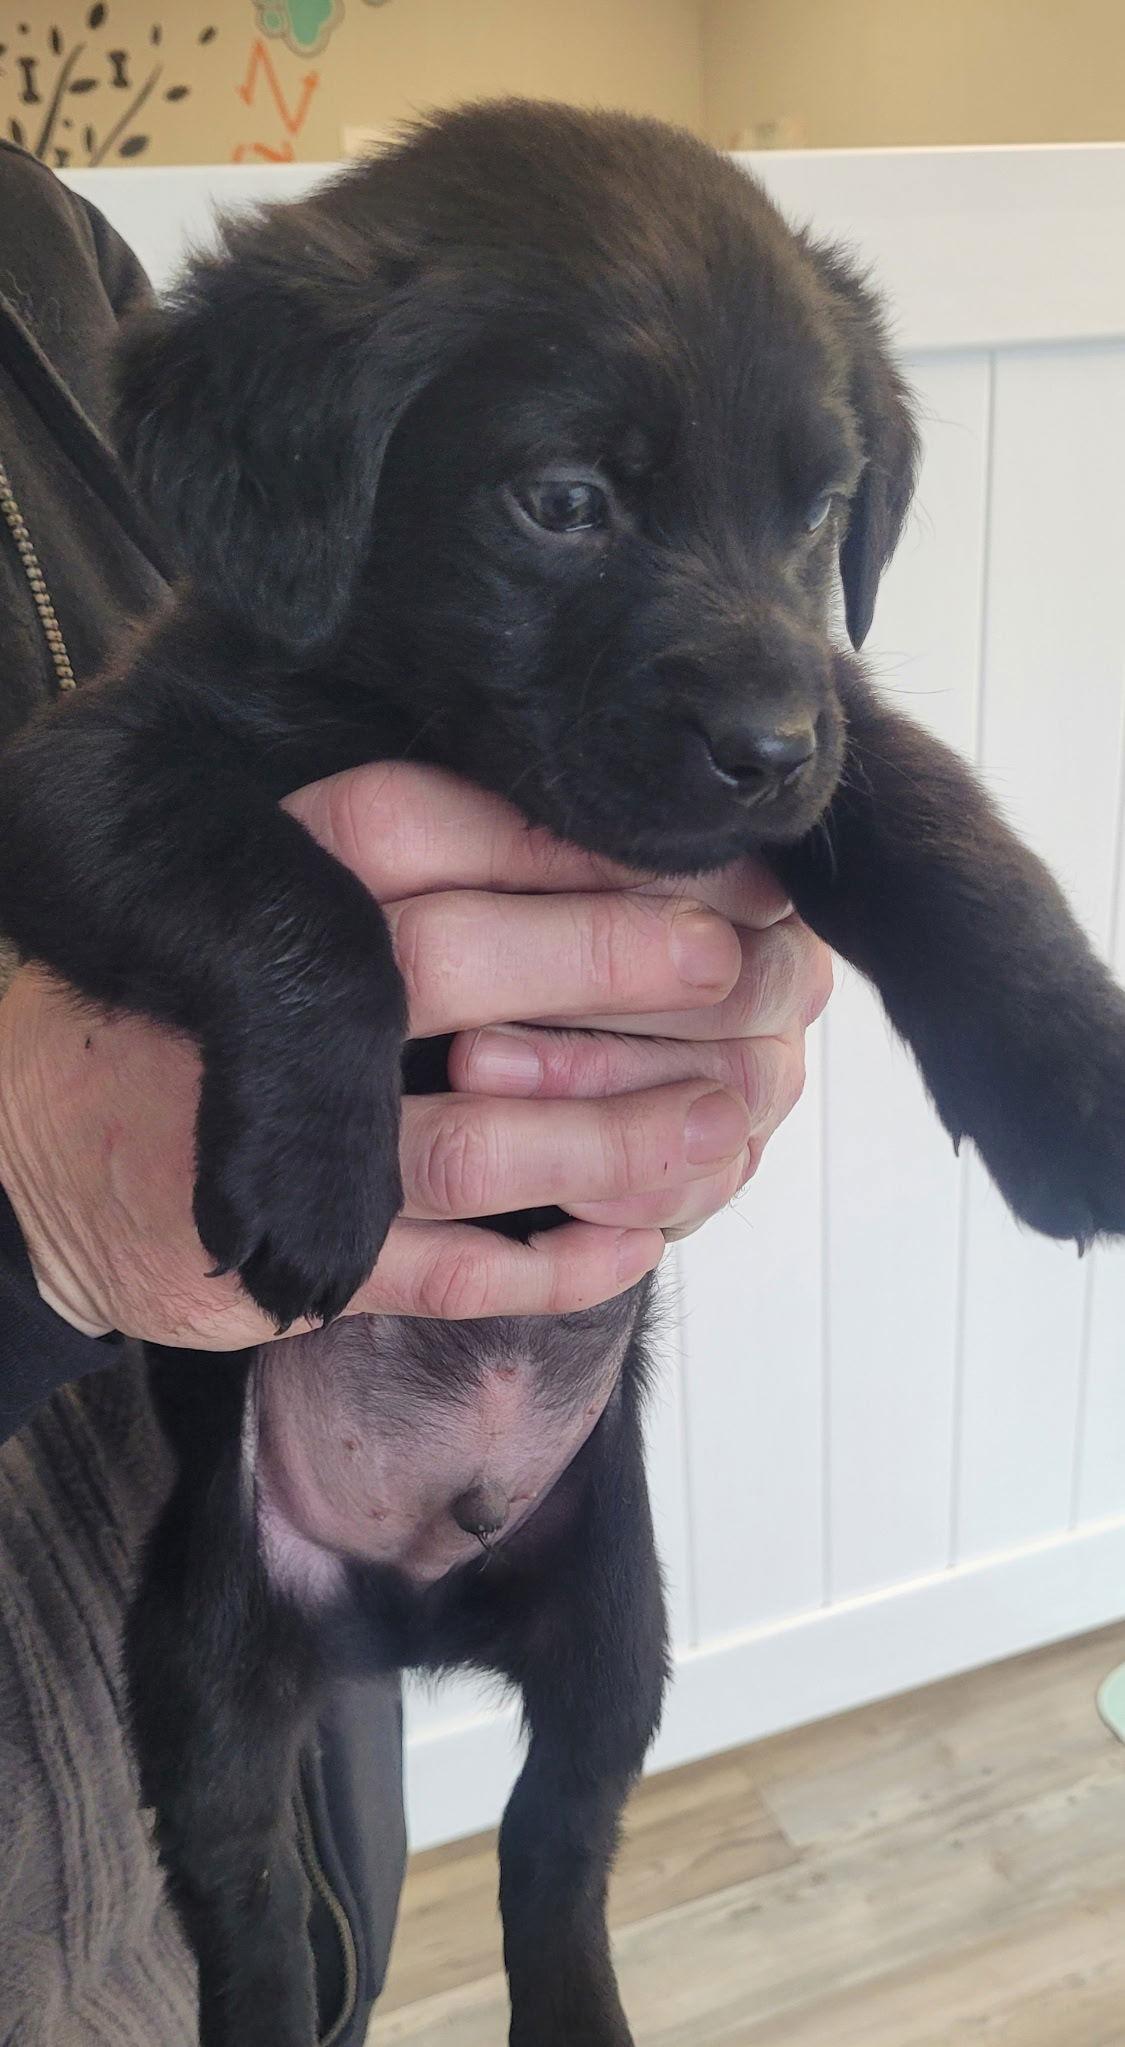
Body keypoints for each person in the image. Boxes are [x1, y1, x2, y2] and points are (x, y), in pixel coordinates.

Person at [0, 138, 831, 2044]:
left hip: (235, 1777)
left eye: (809, 521)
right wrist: (31, 1201)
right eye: (569, 497)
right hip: (104, 1867)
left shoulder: (42, 250)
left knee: (595, 1697)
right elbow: (117, 770)